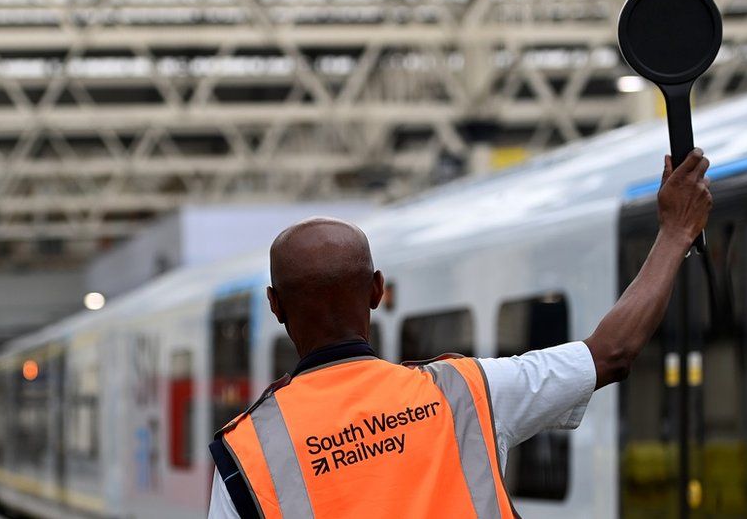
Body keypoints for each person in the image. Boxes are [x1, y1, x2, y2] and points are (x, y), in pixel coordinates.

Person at [208, 150, 712, 518]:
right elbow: (612, 353)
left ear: (275, 306)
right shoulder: (465, 393)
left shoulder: (248, 450)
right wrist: (674, 233)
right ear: (377, 291)